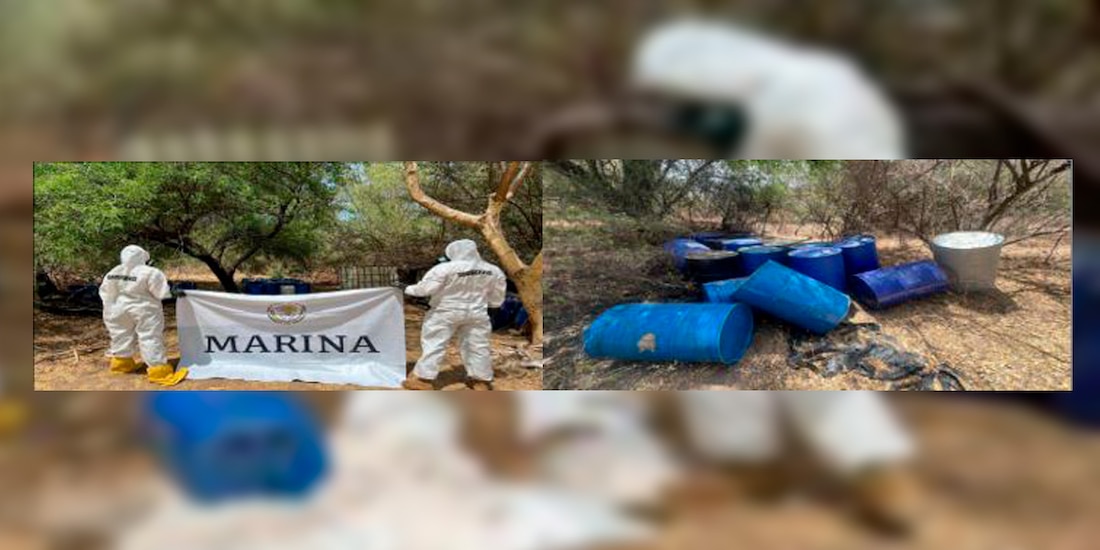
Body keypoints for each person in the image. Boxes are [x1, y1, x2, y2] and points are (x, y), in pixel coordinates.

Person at [403, 239, 507, 391]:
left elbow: (425, 289)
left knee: (435, 343)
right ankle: (480, 381)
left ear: (452, 252)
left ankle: (423, 379)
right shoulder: (494, 270)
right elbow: (497, 298)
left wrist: (406, 289)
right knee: (478, 346)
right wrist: (489, 304)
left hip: (444, 312)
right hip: (477, 313)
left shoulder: (444, 268)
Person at [99, 245, 188, 386]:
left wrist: (114, 304)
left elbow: (104, 292)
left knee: (120, 335)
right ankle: (159, 372)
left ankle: (122, 364)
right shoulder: (151, 272)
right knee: (149, 337)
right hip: (144, 310)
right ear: (142, 257)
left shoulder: (113, 272)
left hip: (116, 310)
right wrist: (174, 292)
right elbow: (161, 293)